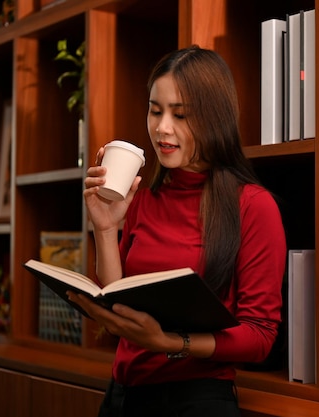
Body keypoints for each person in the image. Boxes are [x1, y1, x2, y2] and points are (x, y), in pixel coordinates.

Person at [67, 45, 287, 417]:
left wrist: (169, 342)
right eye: (155, 110)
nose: (162, 127)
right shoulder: (142, 198)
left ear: (214, 118)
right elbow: (116, 299)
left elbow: (260, 336)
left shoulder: (253, 205)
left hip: (196, 401)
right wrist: (105, 228)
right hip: (122, 396)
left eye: (180, 114)